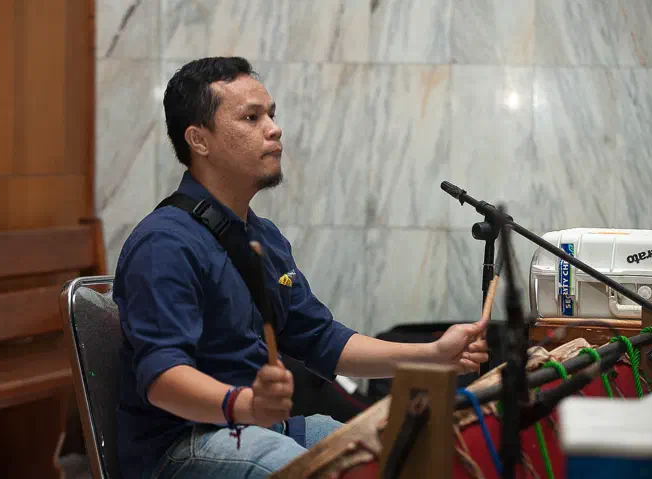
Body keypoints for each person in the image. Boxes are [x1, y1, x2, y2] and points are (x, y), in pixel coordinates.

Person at [113, 56, 490, 479]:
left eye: (271, 115)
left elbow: (323, 341)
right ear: (199, 140)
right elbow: (162, 379)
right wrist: (245, 405)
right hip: (184, 444)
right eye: (251, 118)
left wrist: (433, 355)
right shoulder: (164, 243)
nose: (274, 129)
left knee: (398, 456)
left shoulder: (264, 237)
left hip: (260, 428)